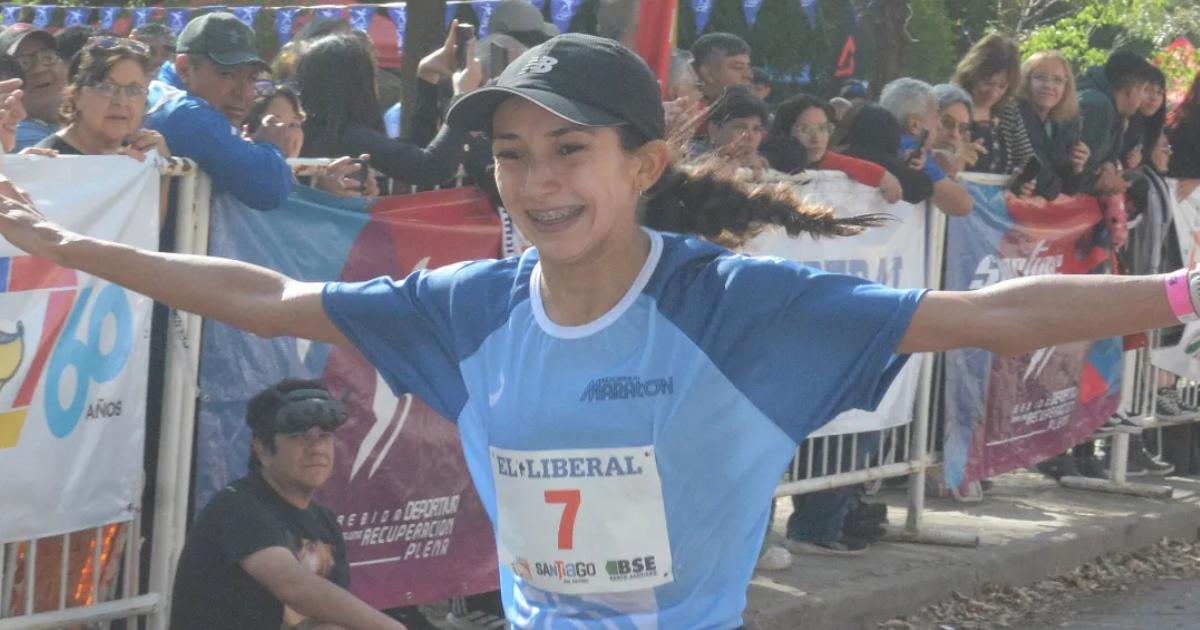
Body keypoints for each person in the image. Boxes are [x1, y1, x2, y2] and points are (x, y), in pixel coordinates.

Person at [2, 33, 1194, 630]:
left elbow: (998, 313)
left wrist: (1184, 295)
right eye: (511, 154)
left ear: (649, 163)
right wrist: (69, 247)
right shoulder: (470, 306)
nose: (535, 181)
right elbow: (264, 298)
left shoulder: (738, 308)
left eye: (570, 148)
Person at [170, 380, 407, 630]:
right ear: (263, 450)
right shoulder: (237, 506)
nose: (317, 449)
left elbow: (331, 615)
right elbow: (294, 585)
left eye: (325, 436)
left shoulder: (324, 522)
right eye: (300, 437)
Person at [145, 12, 295, 211]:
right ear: (184, 68)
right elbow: (268, 186)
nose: (243, 92)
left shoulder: (163, 93)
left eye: (251, 78)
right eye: (227, 74)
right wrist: (271, 146)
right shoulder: (184, 112)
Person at [35, 37, 167, 160]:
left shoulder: (141, 157)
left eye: (134, 90)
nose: (121, 101)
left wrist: (162, 170)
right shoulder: (45, 162)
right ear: (76, 95)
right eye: (107, 88)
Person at [761, 94, 902, 203]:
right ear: (784, 132)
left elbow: (835, 160)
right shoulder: (765, 155)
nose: (816, 138)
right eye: (805, 129)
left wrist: (880, 174)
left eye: (824, 128)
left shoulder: (822, 157)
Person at [995, 50, 1089, 200]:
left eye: (1057, 80)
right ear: (1026, 80)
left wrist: (1077, 167)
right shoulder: (1017, 113)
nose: (1049, 85)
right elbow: (1046, 185)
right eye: (1040, 77)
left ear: (1066, 86)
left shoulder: (1059, 124)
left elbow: (1070, 189)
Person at [879, 78, 973, 215]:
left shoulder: (875, 139)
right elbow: (963, 205)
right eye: (936, 115)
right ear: (915, 124)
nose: (939, 125)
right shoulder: (914, 153)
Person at [1077, 50, 1158, 194]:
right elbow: (1074, 172)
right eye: (1145, 89)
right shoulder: (1098, 107)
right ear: (1133, 90)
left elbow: (1107, 157)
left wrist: (1109, 165)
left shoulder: (1117, 111)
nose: (1145, 98)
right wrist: (1109, 183)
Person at [831, 102, 935, 205]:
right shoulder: (875, 160)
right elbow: (923, 187)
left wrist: (901, 162)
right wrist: (899, 166)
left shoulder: (839, 156)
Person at [952, 33, 1020, 174]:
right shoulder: (949, 102)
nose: (994, 93)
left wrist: (1022, 177)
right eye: (988, 83)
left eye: (1002, 86)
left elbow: (1025, 158)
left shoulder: (1008, 109)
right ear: (972, 74)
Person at [0, 25, 66, 151]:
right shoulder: (12, 131)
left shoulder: (80, 113)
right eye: (23, 63)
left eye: (47, 56)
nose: (39, 69)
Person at [689, 85, 770, 171]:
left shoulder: (761, 165)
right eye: (740, 127)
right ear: (714, 129)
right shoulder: (689, 159)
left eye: (756, 129)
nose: (751, 138)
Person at [691, 32, 753, 104]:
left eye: (748, 67)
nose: (749, 75)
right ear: (708, 74)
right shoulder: (686, 112)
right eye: (738, 67)